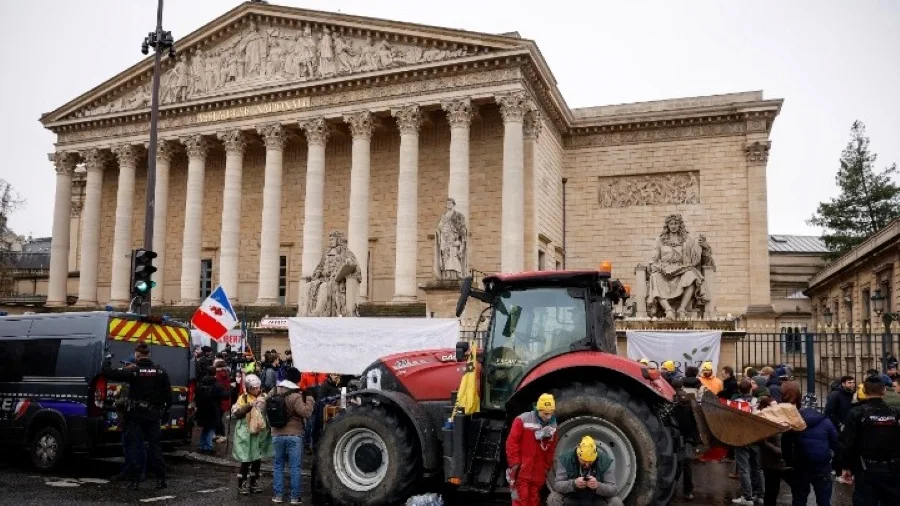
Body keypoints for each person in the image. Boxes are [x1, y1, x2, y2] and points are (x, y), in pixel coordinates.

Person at [102, 342, 171, 490]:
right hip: (153, 415)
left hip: (135, 415)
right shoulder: (161, 371)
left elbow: (108, 373)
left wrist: (107, 358)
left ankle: (135, 481)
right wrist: (164, 412)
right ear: (149, 355)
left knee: (134, 446)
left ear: (136, 355)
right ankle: (161, 480)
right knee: (155, 447)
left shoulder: (134, 371)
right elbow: (168, 396)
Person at [839, 376, 900, 505]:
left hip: (866, 468)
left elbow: (846, 443)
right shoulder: (895, 413)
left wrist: (845, 466)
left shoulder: (856, 413)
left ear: (865, 393)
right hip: (893, 468)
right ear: (883, 392)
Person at [782, 393, 838, 506]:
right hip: (821, 465)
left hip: (800, 464)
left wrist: (790, 462)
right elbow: (835, 442)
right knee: (823, 498)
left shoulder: (795, 422)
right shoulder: (826, 422)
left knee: (799, 498)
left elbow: (786, 444)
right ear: (816, 406)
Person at [270, 367, 315, 504]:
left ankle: (278, 496)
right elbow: (306, 413)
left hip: (277, 434)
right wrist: (310, 399)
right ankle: (295, 497)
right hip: (295, 435)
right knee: (295, 467)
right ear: (298, 379)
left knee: (278, 465)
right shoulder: (296, 395)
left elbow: (263, 405)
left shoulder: (275, 390)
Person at [506, 393, 558, 506]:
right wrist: (515, 464)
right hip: (522, 469)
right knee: (520, 499)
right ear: (538, 409)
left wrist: (546, 467)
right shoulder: (522, 420)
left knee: (533, 500)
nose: (548, 417)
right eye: (545, 414)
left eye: (551, 413)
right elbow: (512, 443)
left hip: (537, 472)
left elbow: (551, 449)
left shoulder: (553, 426)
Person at [547, 436, 623, 506]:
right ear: (578, 454)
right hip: (573, 498)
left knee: (616, 502)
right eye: (584, 461)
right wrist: (574, 484)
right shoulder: (566, 459)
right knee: (553, 498)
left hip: (596, 500)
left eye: (590, 461)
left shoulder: (605, 461)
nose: (587, 465)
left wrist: (598, 486)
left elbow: (613, 489)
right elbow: (558, 485)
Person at [232, 374, 273, 495]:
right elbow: (237, 413)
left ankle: (254, 482)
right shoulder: (243, 398)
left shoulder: (264, 397)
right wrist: (249, 405)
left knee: (257, 458)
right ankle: (242, 483)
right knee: (246, 458)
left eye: (257, 387)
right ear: (248, 388)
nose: (256, 390)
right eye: (253, 388)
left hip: (259, 433)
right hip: (245, 432)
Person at [732, 380, 763, 505]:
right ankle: (759, 495)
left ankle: (747, 497)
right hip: (755, 437)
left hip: (741, 437)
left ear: (739, 390)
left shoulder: (736, 403)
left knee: (744, 468)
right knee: (757, 468)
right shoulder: (757, 402)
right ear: (751, 389)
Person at [757, 397, 789, 506]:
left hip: (778, 462)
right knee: (771, 491)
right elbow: (762, 442)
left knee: (774, 490)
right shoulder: (764, 422)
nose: (777, 408)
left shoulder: (778, 419)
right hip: (770, 463)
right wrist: (779, 450)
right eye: (773, 406)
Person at [195, 367, 228, 454]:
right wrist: (232, 390)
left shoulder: (200, 383)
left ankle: (202, 445)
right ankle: (208, 447)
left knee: (205, 428)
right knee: (211, 429)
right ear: (214, 373)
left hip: (202, 409)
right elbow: (224, 396)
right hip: (213, 409)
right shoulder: (216, 384)